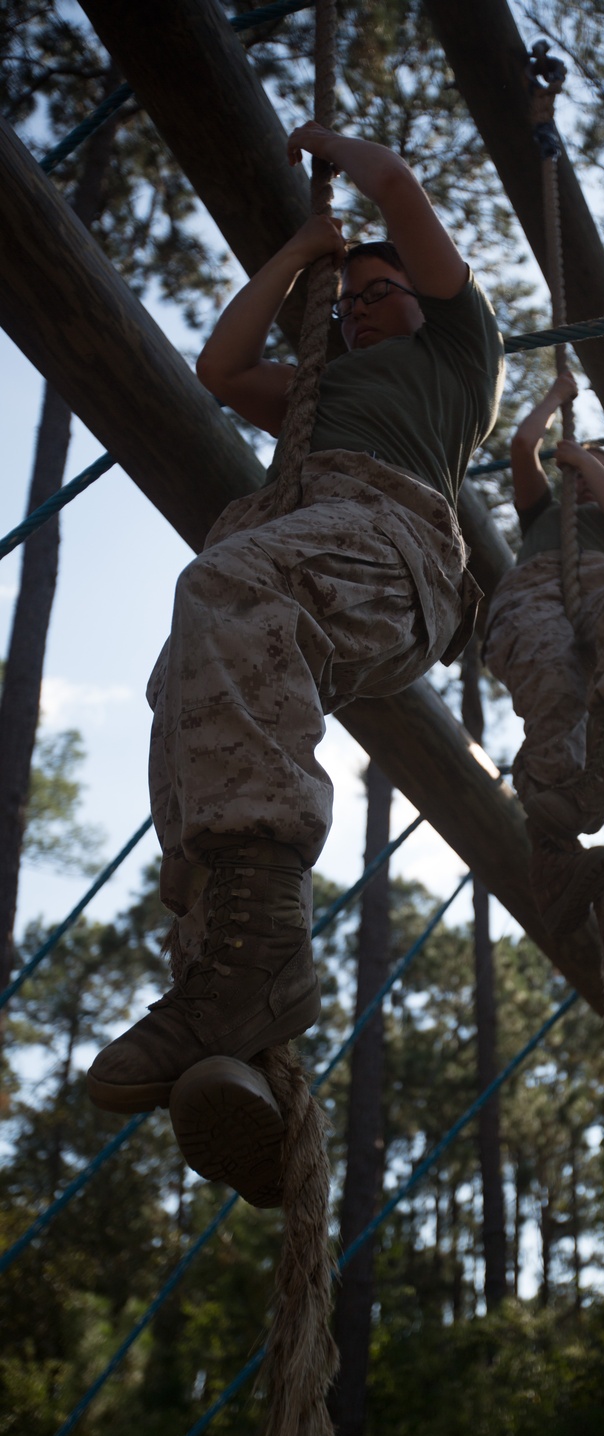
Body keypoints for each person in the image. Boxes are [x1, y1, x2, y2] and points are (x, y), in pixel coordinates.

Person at [86, 124, 504, 1202]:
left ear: (427, 297)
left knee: (221, 588)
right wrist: (294, 265)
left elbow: (401, 186)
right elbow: (221, 369)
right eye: (349, 300)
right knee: (186, 695)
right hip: (315, 556)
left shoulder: (457, 360)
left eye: (381, 291)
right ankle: (225, 1019)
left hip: (392, 548)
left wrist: (328, 155)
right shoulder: (314, 398)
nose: (362, 308)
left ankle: (266, 937)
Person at [484, 371, 604, 935]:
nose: (585, 482)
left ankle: (599, 777)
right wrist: (555, 400)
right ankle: (554, 849)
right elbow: (524, 447)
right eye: (575, 477)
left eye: (602, 475)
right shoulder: (544, 515)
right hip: (533, 596)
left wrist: (586, 458)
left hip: (603, 595)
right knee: (555, 685)